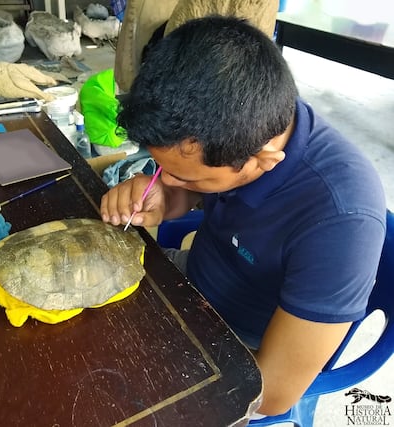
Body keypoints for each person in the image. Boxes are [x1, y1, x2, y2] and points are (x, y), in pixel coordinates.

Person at [100, 16, 386, 416]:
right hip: (189, 283)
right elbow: (183, 191)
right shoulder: (245, 119)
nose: (165, 178)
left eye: (186, 177)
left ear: (264, 162)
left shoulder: (340, 220)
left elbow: (273, 394)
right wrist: (163, 198)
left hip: (240, 343)